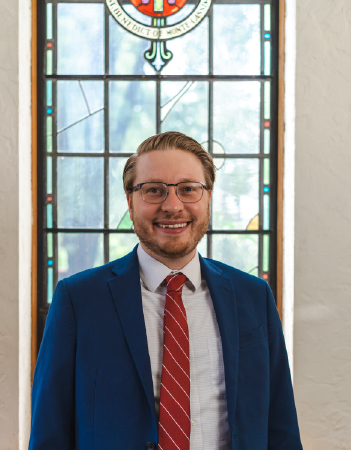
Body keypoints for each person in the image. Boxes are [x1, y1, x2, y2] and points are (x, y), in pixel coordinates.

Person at [29, 132, 303, 450]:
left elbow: (281, 427)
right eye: (154, 191)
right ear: (130, 203)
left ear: (208, 199)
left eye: (188, 189)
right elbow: (50, 432)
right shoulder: (78, 300)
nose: (172, 206)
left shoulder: (254, 297)